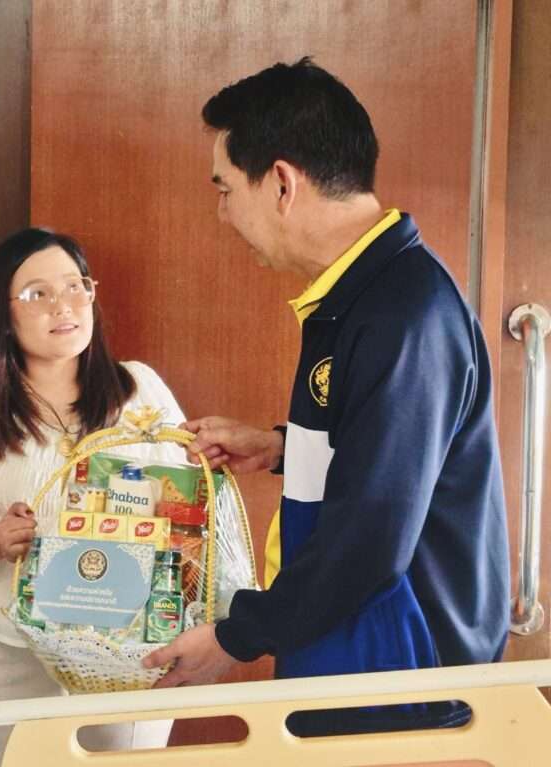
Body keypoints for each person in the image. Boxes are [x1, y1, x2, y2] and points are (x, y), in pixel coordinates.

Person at [144, 58, 510, 736]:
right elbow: (381, 453)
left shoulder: (404, 314)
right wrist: (280, 446)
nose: (222, 213)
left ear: (282, 183)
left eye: (226, 189)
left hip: (400, 667)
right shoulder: (358, 294)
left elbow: (370, 538)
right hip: (353, 642)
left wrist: (236, 637)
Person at [0, 227, 183, 767]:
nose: (63, 305)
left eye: (75, 286)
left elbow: (184, 508)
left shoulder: (139, 389)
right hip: (6, 647)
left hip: (126, 649)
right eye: (38, 293)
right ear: (3, 312)